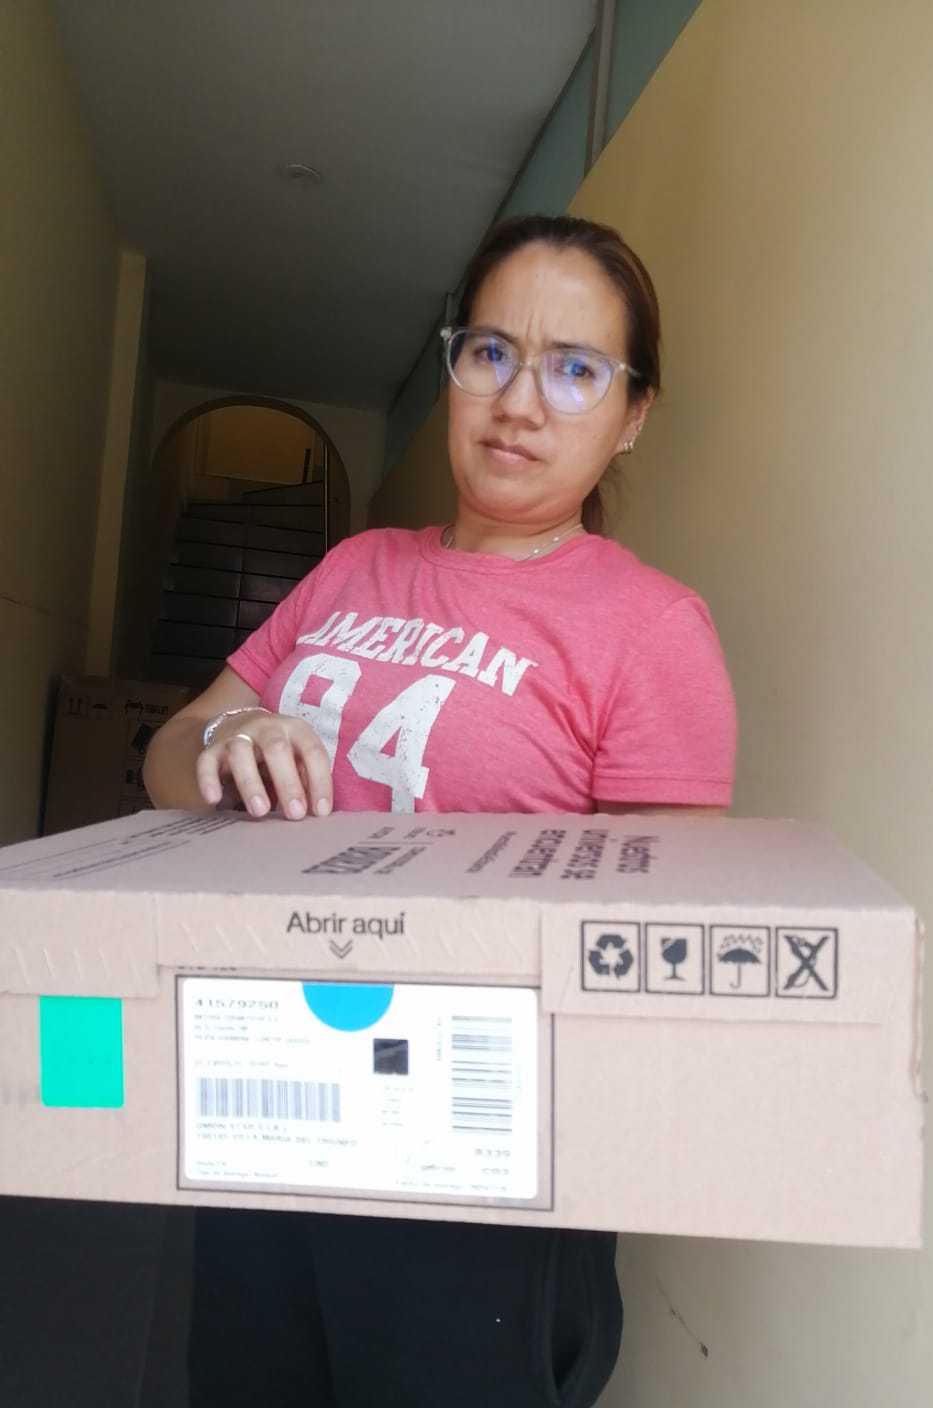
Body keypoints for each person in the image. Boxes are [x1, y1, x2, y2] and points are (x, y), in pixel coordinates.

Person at [144, 213, 737, 1407]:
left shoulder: (650, 630)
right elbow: (165, 756)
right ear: (453, 364)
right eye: (492, 352)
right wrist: (226, 738)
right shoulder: (353, 567)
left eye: (575, 369)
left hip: (472, 1182)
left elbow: (660, 950)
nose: (520, 402)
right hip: (266, 1105)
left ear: (631, 414)